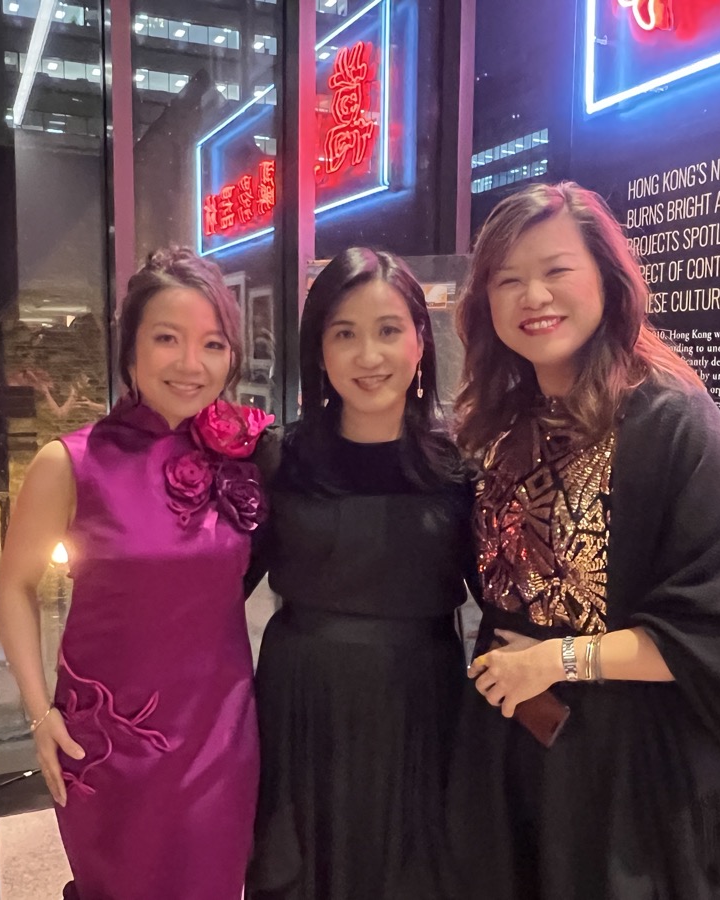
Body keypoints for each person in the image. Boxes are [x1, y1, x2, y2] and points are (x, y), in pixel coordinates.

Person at [449, 182, 720, 899]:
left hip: (636, 775)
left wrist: (558, 660)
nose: (533, 295)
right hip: (521, 753)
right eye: (507, 280)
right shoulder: (503, 422)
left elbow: (719, 633)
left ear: (606, 275)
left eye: (556, 270)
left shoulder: (670, 420)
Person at [0, 247, 271, 900]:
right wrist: (39, 716)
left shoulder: (247, 457)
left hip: (221, 737)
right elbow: (12, 586)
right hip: (109, 740)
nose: (190, 364)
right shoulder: (72, 462)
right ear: (131, 349)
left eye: (212, 344)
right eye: (167, 339)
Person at [246, 248, 475, 900]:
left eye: (388, 330)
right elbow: (220, 586)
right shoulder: (279, 457)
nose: (368, 356)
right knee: (298, 868)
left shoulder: (462, 461)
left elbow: (504, 593)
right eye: (344, 333)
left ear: (421, 341)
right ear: (319, 350)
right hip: (302, 698)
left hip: (421, 699)